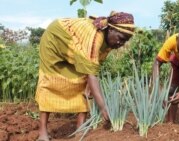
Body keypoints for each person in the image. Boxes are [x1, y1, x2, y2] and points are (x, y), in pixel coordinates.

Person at [35, 11, 135, 141]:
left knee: (84, 85)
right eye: (121, 38)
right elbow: (92, 74)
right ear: (110, 29)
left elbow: (95, 64)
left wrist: (88, 84)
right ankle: (43, 132)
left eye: (125, 41)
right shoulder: (94, 37)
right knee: (50, 81)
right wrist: (103, 107)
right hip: (55, 40)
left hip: (75, 48)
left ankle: (80, 129)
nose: (121, 44)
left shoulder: (110, 43)